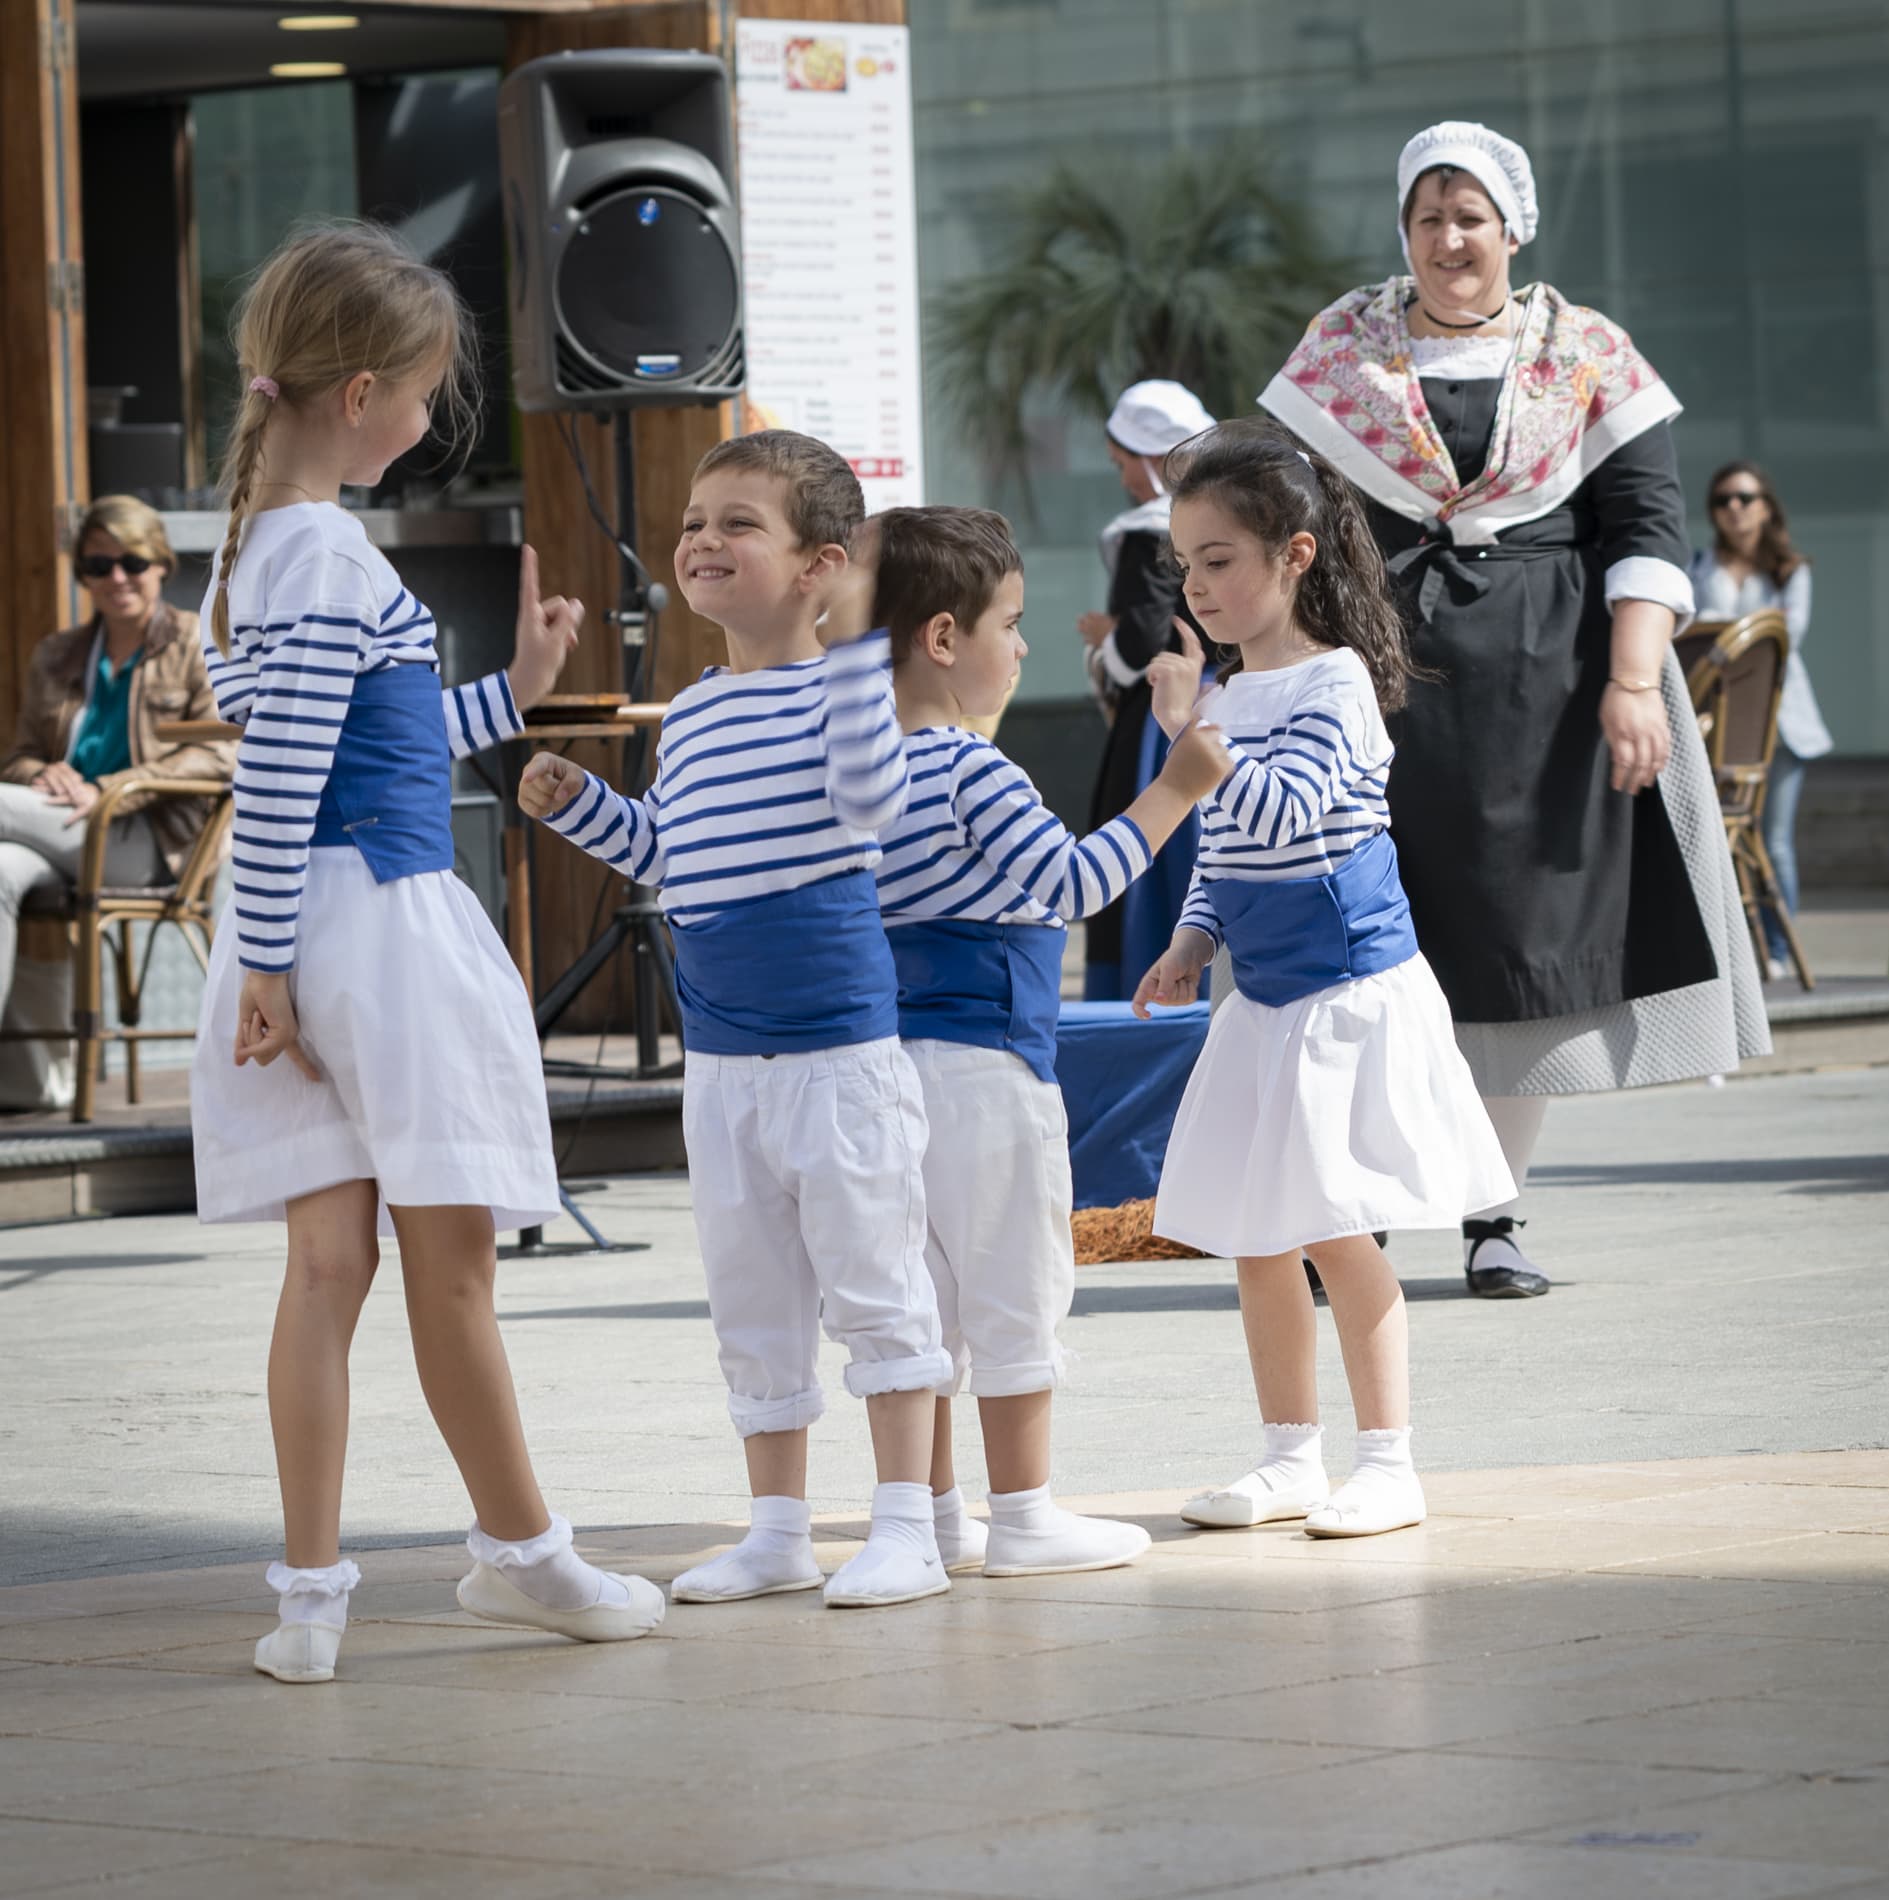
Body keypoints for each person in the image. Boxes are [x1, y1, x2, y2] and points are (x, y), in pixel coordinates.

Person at [189, 222, 664, 1685]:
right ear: (356, 392)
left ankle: (311, 1607)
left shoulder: (250, 559)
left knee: (327, 1266)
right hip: (372, 929)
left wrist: (507, 695)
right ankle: (524, 1556)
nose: (426, 420)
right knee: (449, 1264)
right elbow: (291, 782)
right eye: (421, 394)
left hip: (296, 927)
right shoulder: (328, 548)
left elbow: (339, 754)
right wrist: (281, 964)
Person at [1258, 121, 1768, 1298]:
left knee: (1520, 955)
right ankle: (1363, 1218)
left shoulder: (1588, 353)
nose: (1447, 239)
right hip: (1380, 679)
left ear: (1513, 228)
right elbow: (1279, 512)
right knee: (1379, 951)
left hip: (1553, 687)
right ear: (1404, 230)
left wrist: (1634, 684)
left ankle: (1493, 1215)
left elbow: (1645, 527)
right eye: (1427, 217)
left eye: (1469, 217)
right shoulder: (1342, 348)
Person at [520, 431, 957, 1611]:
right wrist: (588, 809)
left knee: (877, 1285)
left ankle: (908, 1525)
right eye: (694, 520)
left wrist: (865, 652)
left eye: (739, 523)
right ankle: (775, 1529)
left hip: (836, 1060)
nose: (703, 540)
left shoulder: (845, 686)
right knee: (752, 1299)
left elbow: (876, 799)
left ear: (821, 566)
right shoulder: (697, 709)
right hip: (722, 1069)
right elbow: (673, 853)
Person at [1134, 419, 1514, 1538]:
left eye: (1219, 560)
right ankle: (1288, 1453)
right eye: (1185, 565)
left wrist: (1187, 743)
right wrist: (1194, 938)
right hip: (1264, 1003)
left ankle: (1387, 1460)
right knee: (1258, 1233)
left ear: (1294, 555)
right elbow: (1224, 850)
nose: (1198, 587)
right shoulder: (1223, 696)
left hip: (1345, 999)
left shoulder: (1335, 684)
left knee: (1337, 1227)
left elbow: (1288, 818)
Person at [871, 505, 1231, 1575]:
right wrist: (1175, 789)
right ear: (945, 639)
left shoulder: (854, 769)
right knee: (1015, 1285)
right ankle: (1023, 1512)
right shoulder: (970, 767)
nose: (1026, 646)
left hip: (884, 1070)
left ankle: (935, 1514)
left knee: (921, 1298)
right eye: (1012, 622)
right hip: (986, 1068)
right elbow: (1072, 882)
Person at [0, 497, 233, 1040]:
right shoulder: (57, 653)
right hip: (55, 828)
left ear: (161, 565)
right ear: (83, 574)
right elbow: (19, 757)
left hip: (150, 840)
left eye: (133, 561)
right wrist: (42, 775)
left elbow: (223, 750)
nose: (117, 578)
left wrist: (111, 788)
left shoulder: (197, 643)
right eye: (99, 566)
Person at [1080, 379, 1218, 1000]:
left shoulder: (1150, 531)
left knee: (1157, 861)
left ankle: (1150, 989)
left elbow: (1140, 643)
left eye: (1124, 464)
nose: (1126, 481)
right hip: (1216, 703)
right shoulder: (1223, 515)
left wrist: (1110, 640)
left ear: (1151, 457)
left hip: (1163, 717)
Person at [1689, 461, 1829, 975]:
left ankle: (1777, 949)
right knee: (1720, 838)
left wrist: (1724, 636)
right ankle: (1734, 952)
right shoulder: (1698, 564)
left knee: (1772, 841)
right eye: (1723, 499)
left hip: (1780, 724)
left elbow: (1786, 641)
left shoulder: (1791, 570)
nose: (1733, 508)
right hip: (1715, 724)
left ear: (1766, 506)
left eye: (1745, 498)